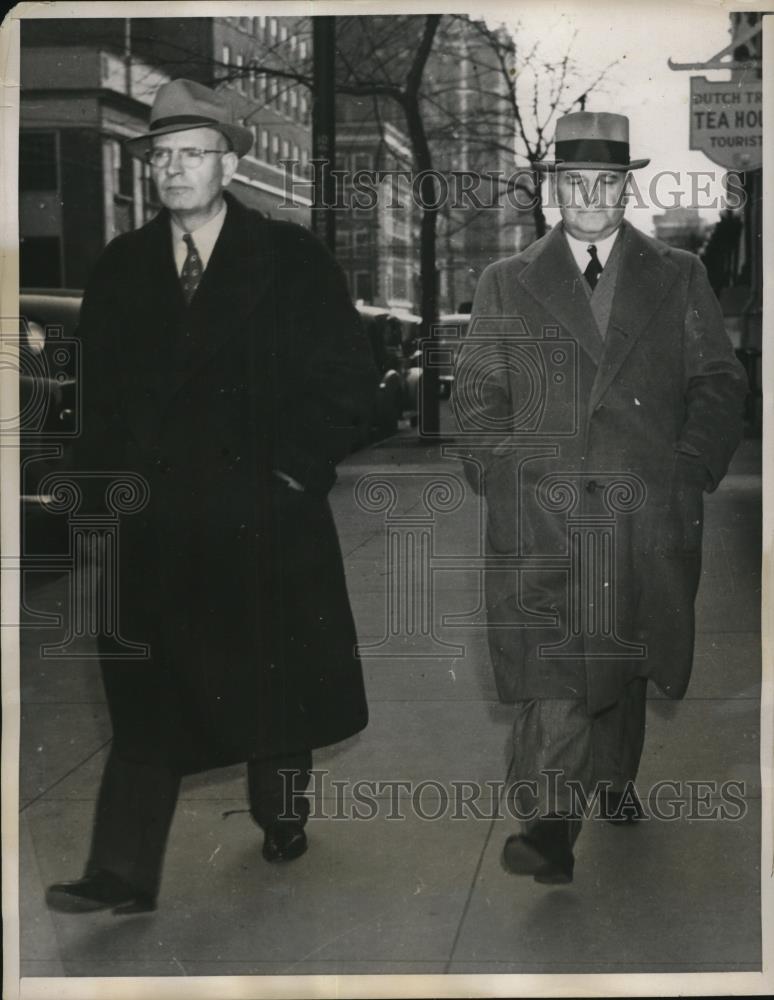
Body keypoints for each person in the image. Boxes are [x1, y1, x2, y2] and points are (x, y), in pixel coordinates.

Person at [45, 79, 378, 914]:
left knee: (269, 687)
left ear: (229, 163)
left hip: (260, 515)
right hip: (153, 525)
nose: (175, 171)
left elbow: (347, 381)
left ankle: (282, 812)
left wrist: (295, 472)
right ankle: (120, 873)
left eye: (193, 154)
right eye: (162, 157)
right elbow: (93, 399)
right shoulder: (121, 269)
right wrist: (96, 501)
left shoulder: (291, 258)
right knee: (145, 698)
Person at [452, 112, 747, 884]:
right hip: (540, 518)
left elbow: (720, 382)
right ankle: (550, 827)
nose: (589, 194)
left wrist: (687, 470)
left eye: (606, 181)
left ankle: (612, 780)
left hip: (642, 511)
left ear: (626, 187)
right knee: (557, 670)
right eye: (573, 180)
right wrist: (502, 471)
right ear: (553, 190)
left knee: (621, 661)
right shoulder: (505, 282)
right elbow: (479, 397)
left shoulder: (678, 274)